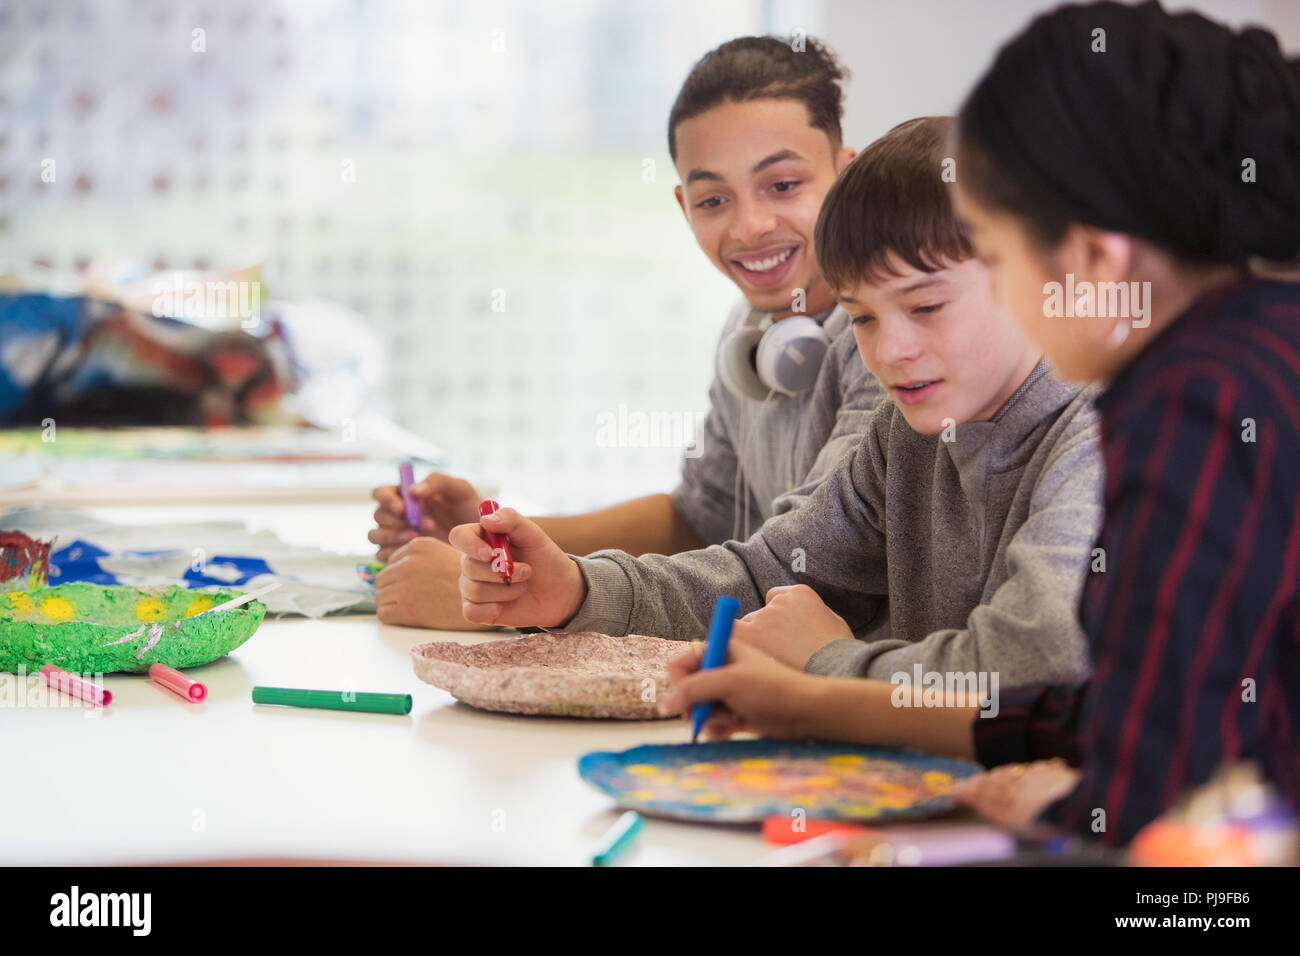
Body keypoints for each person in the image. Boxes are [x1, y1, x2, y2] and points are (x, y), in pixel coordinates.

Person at [671, 0, 1300, 847]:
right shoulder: (1256, 345)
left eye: (999, 260)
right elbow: (1118, 709)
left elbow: (1153, 827)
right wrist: (820, 702)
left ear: (1092, 259)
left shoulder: (1199, 402)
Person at [450, 116, 1104, 690]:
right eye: (863, 318)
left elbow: (1033, 666)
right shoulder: (904, 433)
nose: (892, 351)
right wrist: (576, 591)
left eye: (927, 306)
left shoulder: (1108, 438)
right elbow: (769, 576)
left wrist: (827, 660)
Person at [370, 36, 882, 628]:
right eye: (713, 198)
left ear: (847, 176)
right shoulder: (748, 331)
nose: (750, 226)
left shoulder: (886, 342)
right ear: (683, 204)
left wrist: (529, 600)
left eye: (783, 185)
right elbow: (699, 517)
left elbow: (808, 570)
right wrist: (495, 544)